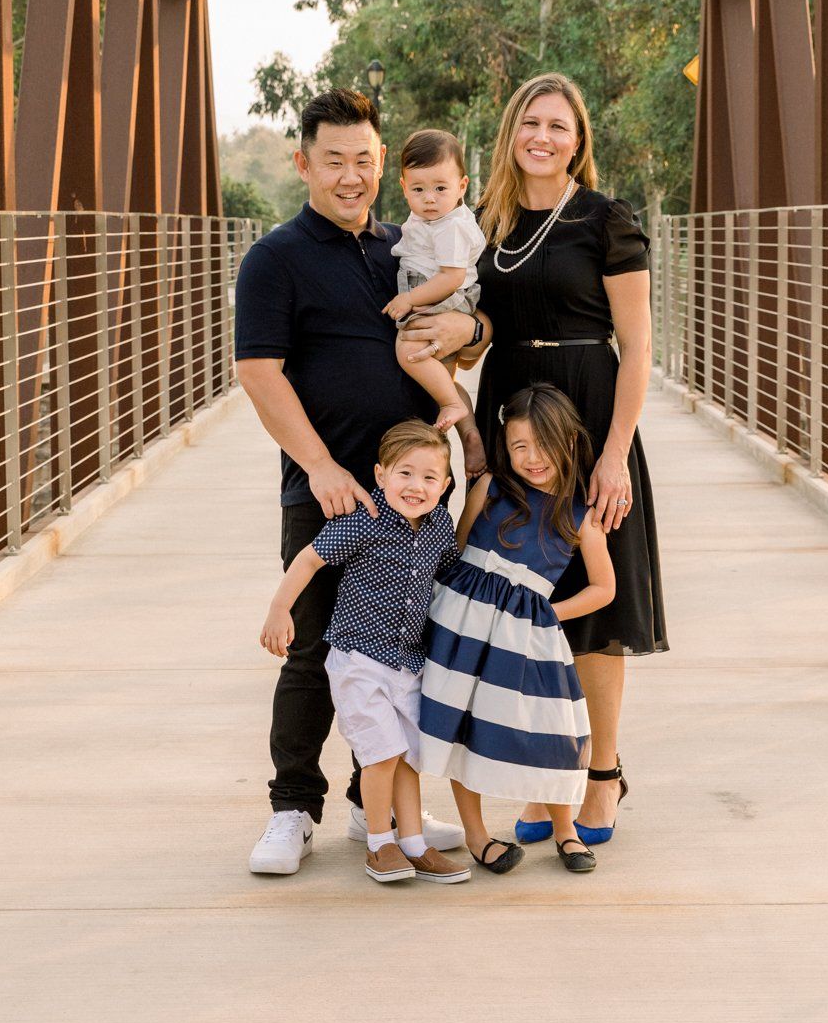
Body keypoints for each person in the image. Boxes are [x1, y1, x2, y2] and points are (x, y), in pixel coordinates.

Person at [235, 87, 479, 877]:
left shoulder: (405, 247)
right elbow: (258, 372)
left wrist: (471, 326)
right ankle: (291, 809)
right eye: (333, 160)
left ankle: (366, 807)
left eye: (364, 160)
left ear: (382, 165)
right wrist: (318, 465)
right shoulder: (275, 258)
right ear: (303, 164)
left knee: (400, 653)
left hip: (413, 497)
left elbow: (467, 321)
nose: (350, 176)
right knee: (314, 652)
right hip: (327, 493)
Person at [427, 71, 665, 849]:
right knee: (520, 599)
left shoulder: (604, 219)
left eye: (558, 126)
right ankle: (543, 775)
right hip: (511, 412)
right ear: (511, 134)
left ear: (577, 140)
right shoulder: (483, 224)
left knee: (594, 611)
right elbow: (474, 324)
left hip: (588, 415)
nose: (542, 137)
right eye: (531, 123)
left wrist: (614, 455)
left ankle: (602, 773)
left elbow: (637, 346)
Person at [260, 421, 471, 887]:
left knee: (407, 756)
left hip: (407, 662)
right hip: (359, 660)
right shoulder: (365, 520)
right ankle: (379, 843)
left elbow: (451, 578)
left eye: (429, 477)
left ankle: (413, 844)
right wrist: (279, 609)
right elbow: (310, 558)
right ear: (380, 475)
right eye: (404, 473)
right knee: (381, 754)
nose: (416, 486)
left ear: (445, 485)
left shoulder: (439, 527)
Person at [418, 385, 614, 876]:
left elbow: (604, 589)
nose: (531, 458)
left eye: (543, 444)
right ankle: (478, 836)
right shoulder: (490, 487)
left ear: (570, 441)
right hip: (463, 629)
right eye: (518, 446)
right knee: (461, 725)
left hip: (526, 636)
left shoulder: (581, 515)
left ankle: (565, 830)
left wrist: (548, 615)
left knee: (552, 729)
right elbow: (458, 548)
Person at [382, 128, 487, 478]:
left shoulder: (450, 226)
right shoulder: (432, 219)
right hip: (437, 292)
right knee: (439, 375)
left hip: (444, 297)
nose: (429, 198)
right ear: (404, 187)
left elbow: (452, 277)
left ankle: (453, 404)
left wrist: (409, 299)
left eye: (440, 188)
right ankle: (468, 428)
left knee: (408, 351)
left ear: (462, 186)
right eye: (418, 189)